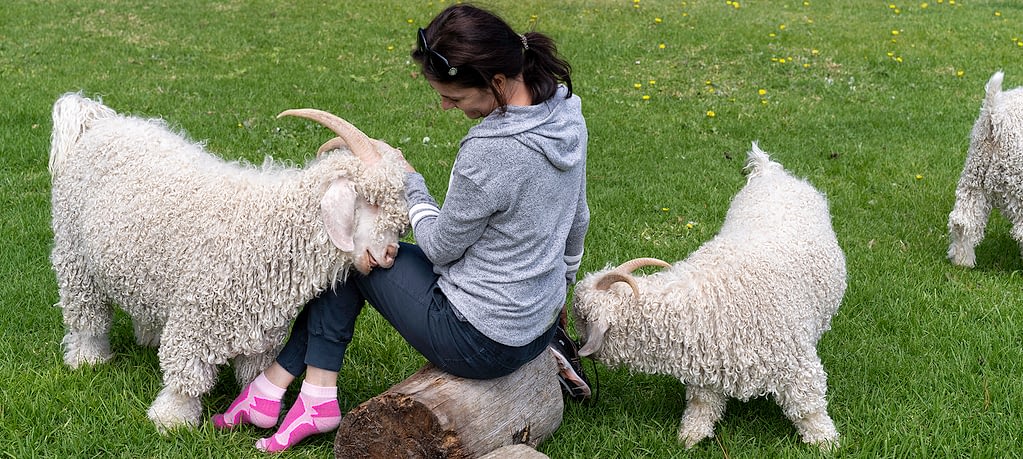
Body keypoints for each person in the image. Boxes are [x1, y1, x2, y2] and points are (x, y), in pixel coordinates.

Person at [212, 4, 591, 452]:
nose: (447, 105)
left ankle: (308, 398)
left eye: (454, 96)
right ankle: (270, 392)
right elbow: (578, 217)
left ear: (497, 81)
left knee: (355, 257)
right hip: (537, 324)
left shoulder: (493, 152)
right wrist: (558, 287)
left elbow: (439, 248)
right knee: (362, 257)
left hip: (482, 339)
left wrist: (413, 186)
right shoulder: (564, 114)